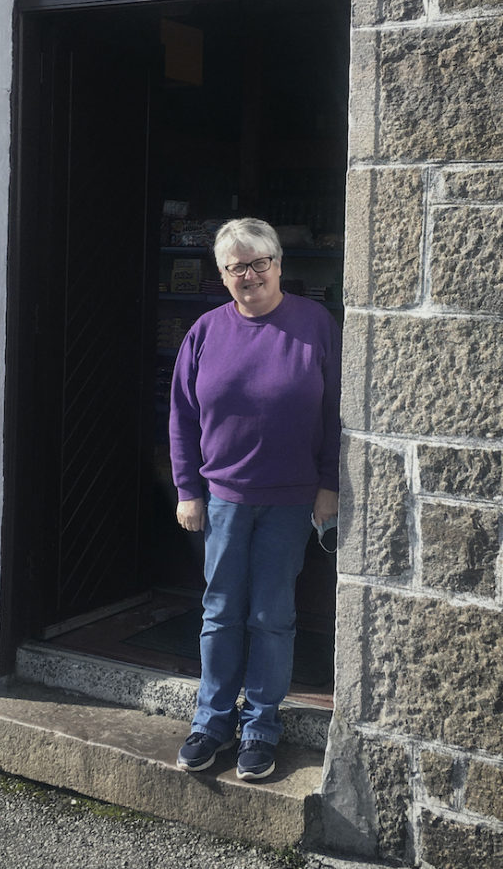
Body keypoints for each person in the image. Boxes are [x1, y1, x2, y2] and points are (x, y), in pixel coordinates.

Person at [168, 217, 341, 781]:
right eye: (235, 266)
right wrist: (187, 489)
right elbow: (181, 419)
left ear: (278, 264)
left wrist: (329, 485)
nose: (249, 275)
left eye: (258, 262)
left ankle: (261, 727)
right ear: (222, 275)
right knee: (219, 612)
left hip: (291, 502)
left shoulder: (316, 325)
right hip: (222, 499)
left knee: (272, 616)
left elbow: (338, 413)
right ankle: (212, 722)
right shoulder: (205, 332)